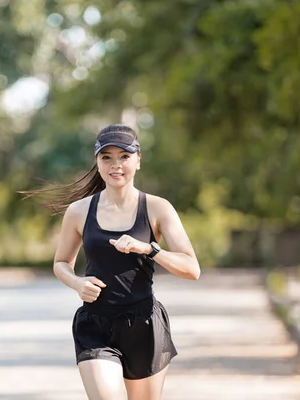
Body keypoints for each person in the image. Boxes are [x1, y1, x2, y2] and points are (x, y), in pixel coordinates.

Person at [24, 124, 200, 400]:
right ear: (97, 162)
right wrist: (76, 282)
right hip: (95, 325)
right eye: (106, 157)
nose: (115, 164)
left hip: (144, 326)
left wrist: (149, 249)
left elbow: (192, 269)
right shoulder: (79, 211)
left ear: (138, 160)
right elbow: (61, 262)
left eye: (124, 156)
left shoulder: (157, 208)